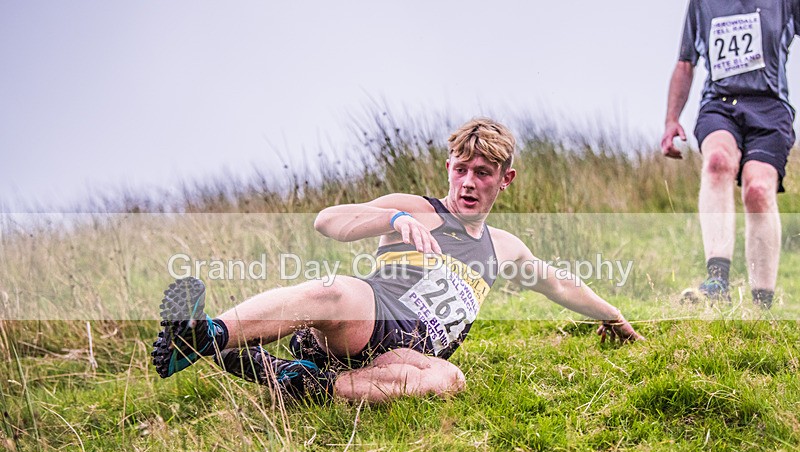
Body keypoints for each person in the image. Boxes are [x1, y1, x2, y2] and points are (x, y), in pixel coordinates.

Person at [152, 118, 643, 403]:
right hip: (363, 318)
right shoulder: (416, 209)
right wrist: (390, 220)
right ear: (448, 168)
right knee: (335, 289)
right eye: (461, 170)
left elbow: (559, 285)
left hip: (398, 356)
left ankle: (307, 384)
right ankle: (202, 335)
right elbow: (328, 221)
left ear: (505, 179)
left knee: (449, 378)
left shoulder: (506, 248)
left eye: (483, 173)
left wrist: (614, 316)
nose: (469, 182)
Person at [662, 1, 800, 308]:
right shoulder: (703, 3)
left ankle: (762, 304)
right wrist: (671, 121)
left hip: (771, 107)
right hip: (720, 104)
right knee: (717, 162)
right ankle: (717, 281)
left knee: (758, 190)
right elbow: (686, 63)